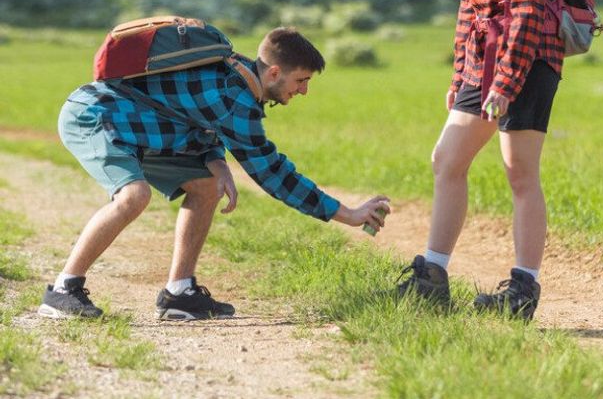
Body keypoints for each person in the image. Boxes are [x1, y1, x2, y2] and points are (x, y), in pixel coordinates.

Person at [39, 27, 390, 320]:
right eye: (300, 80)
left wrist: (215, 159)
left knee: (208, 186)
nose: (303, 90)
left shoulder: (234, 73)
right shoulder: (236, 97)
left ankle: (179, 293)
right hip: (95, 117)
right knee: (134, 196)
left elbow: (189, 111)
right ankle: (62, 290)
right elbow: (273, 173)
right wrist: (347, 213)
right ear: (273, 73)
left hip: (142, 129)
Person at [395, 0, 568, 320]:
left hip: (530, 61)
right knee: (447, 158)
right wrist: (461, 75)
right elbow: (470, 11)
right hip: (483, 64)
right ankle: (432, 278)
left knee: (520, 172)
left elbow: (530, 11)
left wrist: (505, 85)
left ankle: (522, 291)